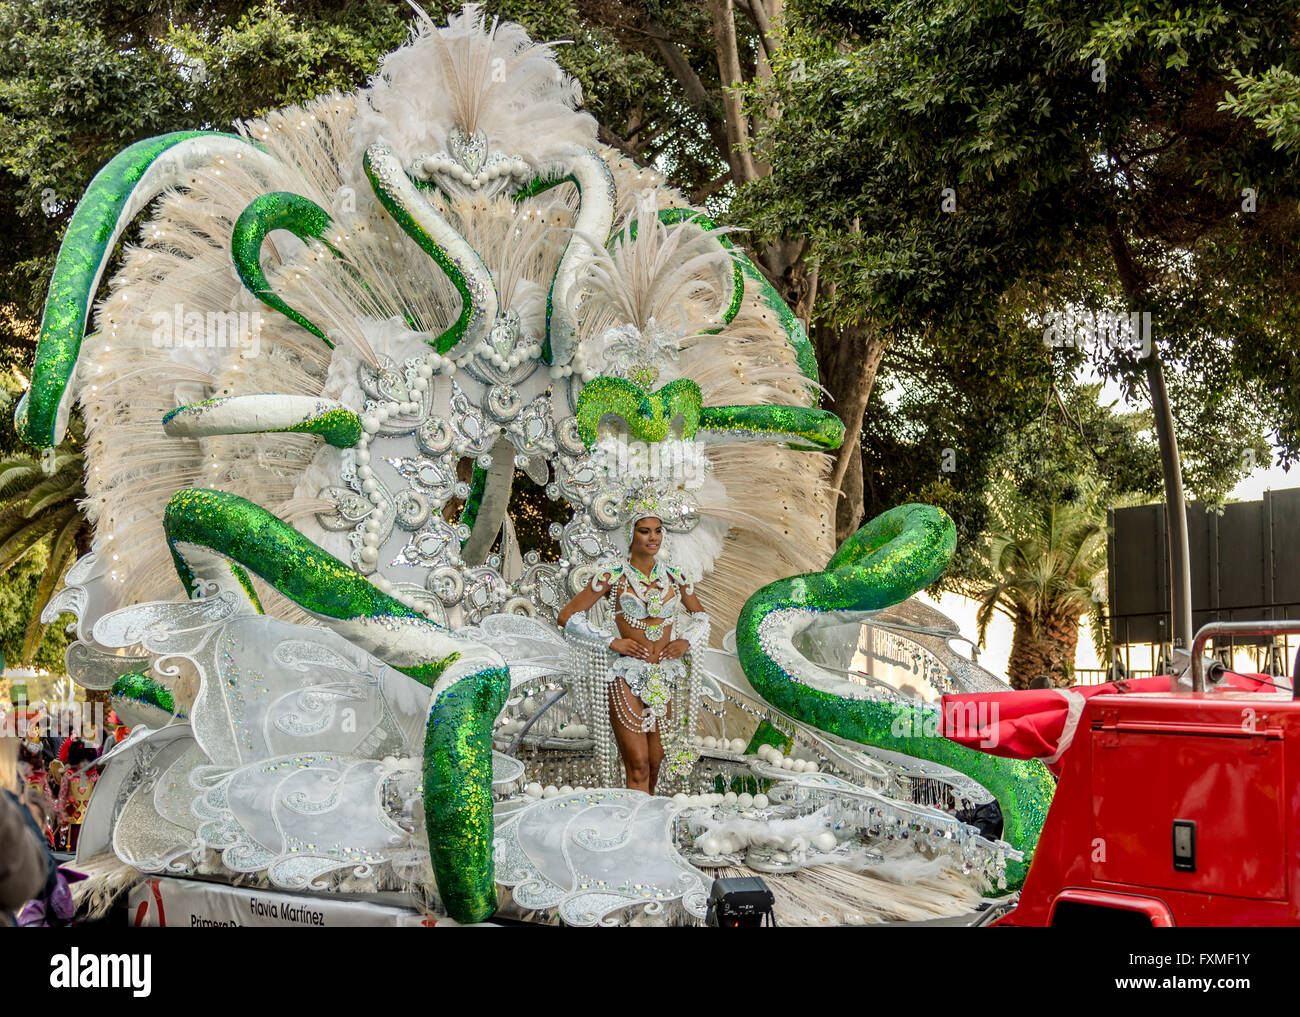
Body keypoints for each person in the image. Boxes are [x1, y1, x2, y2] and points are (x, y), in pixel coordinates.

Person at [558, 515, 708, 794]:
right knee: (637, 764)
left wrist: (685, 641)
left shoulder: (675, 576)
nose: (653, 538)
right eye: (644, 531)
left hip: (664, 675)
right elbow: (567, 616)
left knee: (654, 764)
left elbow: (700, 617)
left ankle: (648, 829)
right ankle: (636, 832)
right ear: (631, 534)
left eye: (657, 531)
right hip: (625, 675)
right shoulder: (611, 576)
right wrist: (612, 641)